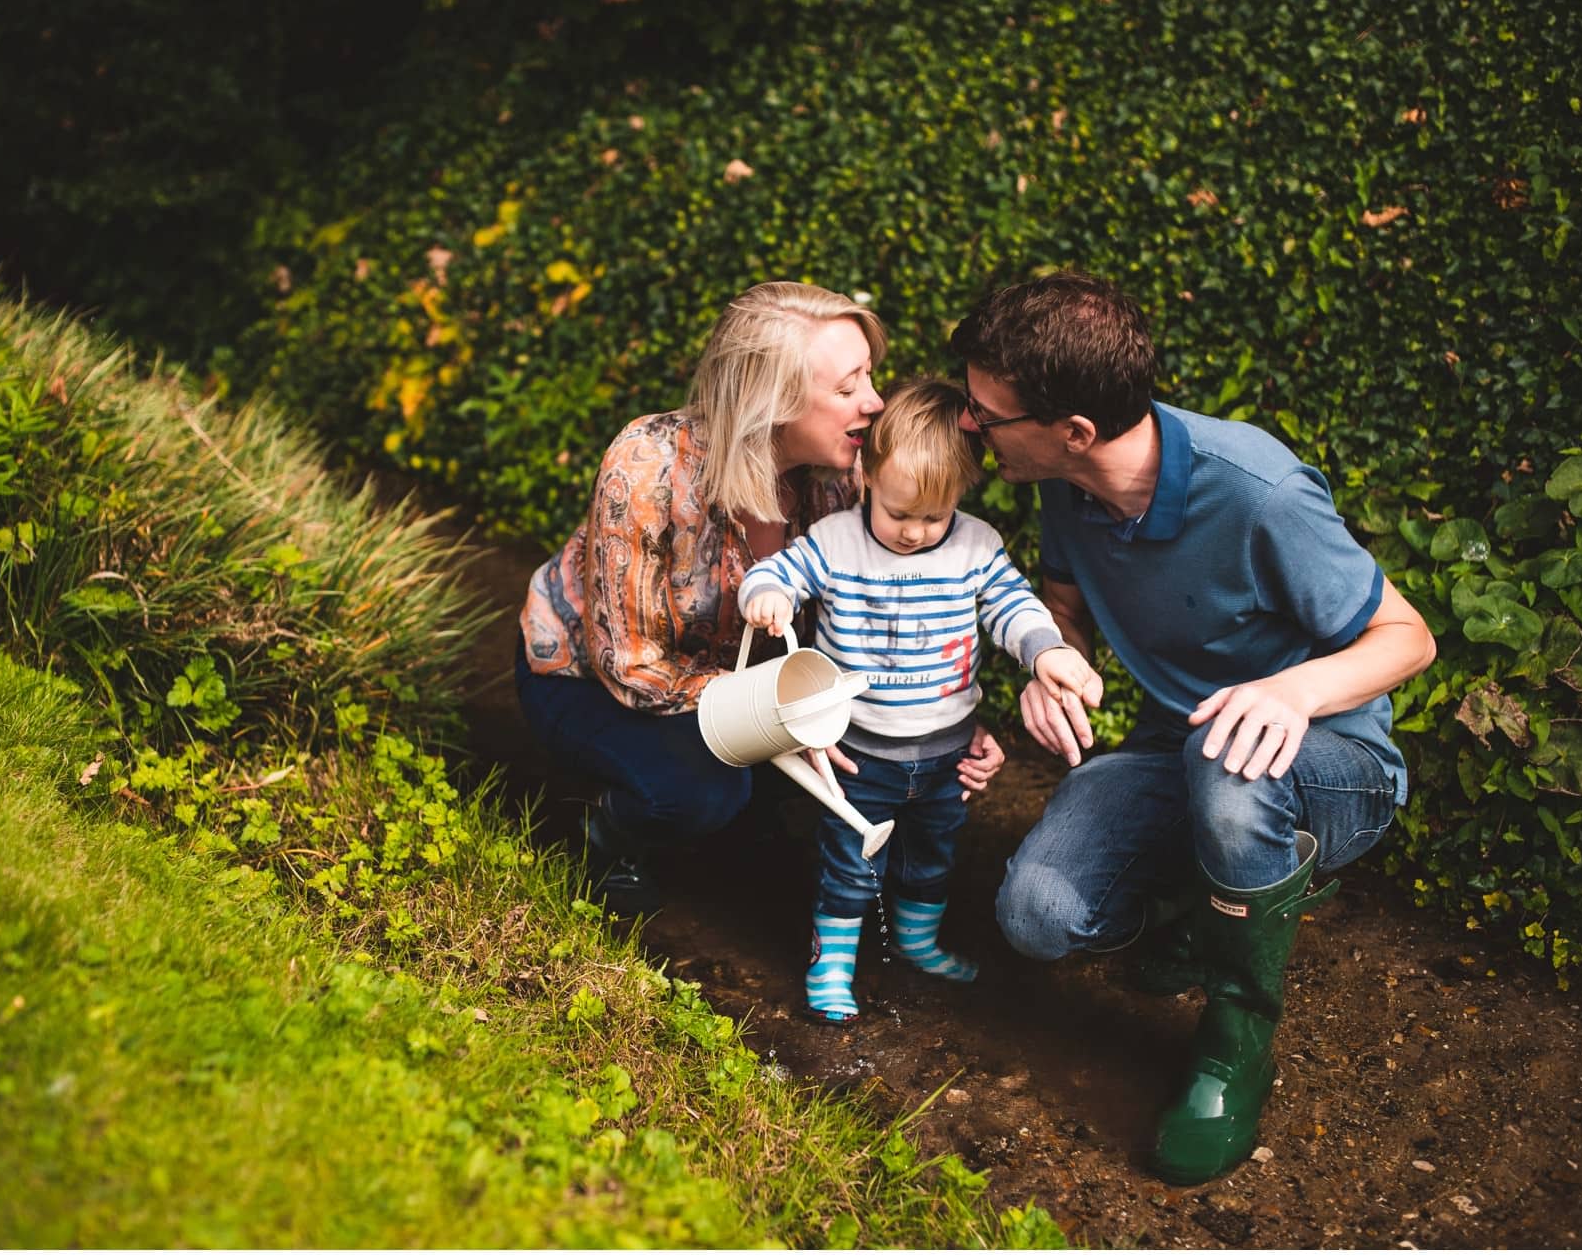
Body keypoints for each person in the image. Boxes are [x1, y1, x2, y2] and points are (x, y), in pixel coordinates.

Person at [949, 271, 1437, 1183]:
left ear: (1075, 430)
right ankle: (1221, 901)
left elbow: (1409, 638)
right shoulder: (1061, 482)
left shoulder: (1259, 492)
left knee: (1232, 765)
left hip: (1332, 769)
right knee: (1038, 920)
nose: (970, 428)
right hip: (1179, 752)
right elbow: (1064, 603)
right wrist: (1054, 661)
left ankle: (1235, 1040)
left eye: (985, 415)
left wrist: (1291, 692)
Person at [516, 282, 1008, 918]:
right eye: (847, 387)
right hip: (590, 678)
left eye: (869, 376)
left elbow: (884, 611)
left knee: (832, 770)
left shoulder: (849, 474)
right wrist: (782, 722)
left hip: (750, 684)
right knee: (703, 793)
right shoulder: (647, 467)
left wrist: (942, 715)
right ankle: (607, 836)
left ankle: (750, 802)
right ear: (770, 401)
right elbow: (630, 668)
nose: (875, 401)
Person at [737, 377, 1102, 1025]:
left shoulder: (975, 547)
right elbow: (777, 573)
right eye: (899, 514)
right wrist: (766, 595)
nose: (913, 532)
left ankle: (917, 941)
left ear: (962, 495)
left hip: (944, 753)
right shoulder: (837, 540)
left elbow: (1013, 607)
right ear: (868, 475)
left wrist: (1047, 651)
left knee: (932, 854)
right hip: (857, 751)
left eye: (933, 517)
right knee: (849, 863)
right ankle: (831, 970)